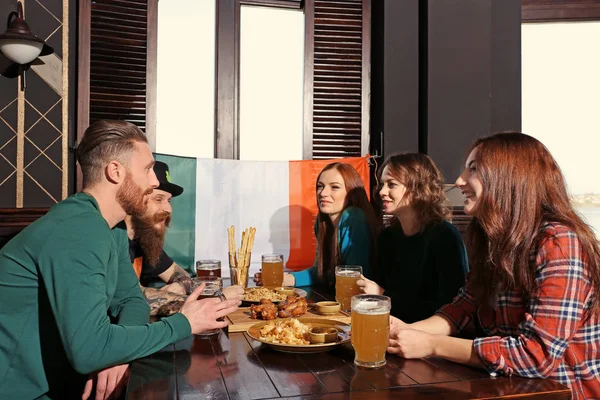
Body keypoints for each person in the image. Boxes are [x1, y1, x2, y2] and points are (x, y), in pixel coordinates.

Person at [0, 120, 241, 400]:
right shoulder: (78, 229)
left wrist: (119, 352)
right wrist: (184, 323)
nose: (153, 182)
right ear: (115, 171)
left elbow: (131, 300)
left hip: (65, 384)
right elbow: (90, 350)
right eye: (148, 169)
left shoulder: (109, 228)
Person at [387, 133, 600, 400]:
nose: (460, 180)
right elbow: (462, 309)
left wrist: (431, 345)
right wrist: (403, 332)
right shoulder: (494, 241)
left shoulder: (558, 243)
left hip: (567, 392)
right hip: (510, 389)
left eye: (473, 169)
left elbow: (537, 356)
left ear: (510, 177)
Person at [357, 153, 468, 322]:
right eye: (382, 184)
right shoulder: (387, 237)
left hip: (431, 339)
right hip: (389, 330)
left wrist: (383, 295)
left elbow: (451, 308)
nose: (382, 191)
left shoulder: (444, 236)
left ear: (417, 189)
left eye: (391, 184)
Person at [124, 161, 242, 315]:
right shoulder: (111, 238)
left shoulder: (143, 239)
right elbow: (133, 299)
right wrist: (219, 299)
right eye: (158, 199)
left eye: (169, 200)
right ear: (134, 199)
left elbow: (181, 275)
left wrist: (181, 285)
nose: (168, 209)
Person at [254, 162, 379, 287]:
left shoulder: (353, 217)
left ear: (352, 192)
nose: (323, 193)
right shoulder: (322, 223)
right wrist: (282, 279)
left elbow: (354, 279)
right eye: (320, 186)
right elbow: (321, 273)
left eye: (334, 187)